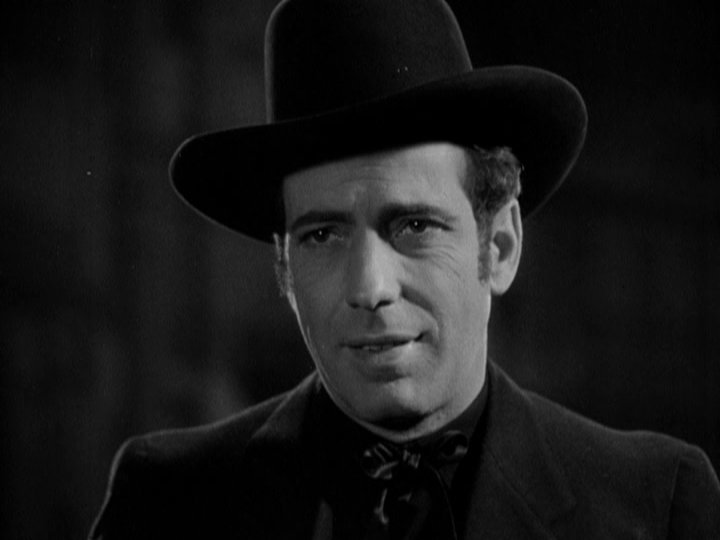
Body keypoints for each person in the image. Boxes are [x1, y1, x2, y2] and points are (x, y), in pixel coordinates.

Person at [90, 0, 720, 538]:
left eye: (414, 227)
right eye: (322, 235)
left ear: (499, 247)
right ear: (284, 268)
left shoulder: (654, 507)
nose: (370, 287)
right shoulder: (167, 504)